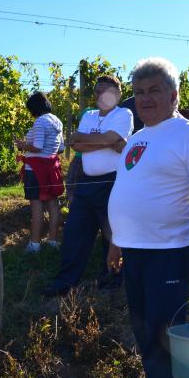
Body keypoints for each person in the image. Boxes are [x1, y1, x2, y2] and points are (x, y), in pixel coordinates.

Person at [103, 57, 189, 378]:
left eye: (154, 90)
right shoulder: (139, 137)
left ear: (174, 95)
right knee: (146, 331)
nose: (144, 98)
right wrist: (116, 244)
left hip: (169, 252)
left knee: (168, 334)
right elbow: (127, 191)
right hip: (136, 252)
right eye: (139, 92)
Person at [40, 75, 133, 297]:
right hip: (87, 181)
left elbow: (105, 138)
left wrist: (94, 139)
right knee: (75, 232)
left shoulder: (123, 114)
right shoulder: (89, 115)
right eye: (98, 90)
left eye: (107, 90)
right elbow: (75, 141)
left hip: (113, 182)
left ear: (117, 93)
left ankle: (110, 280)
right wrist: (108, 142)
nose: (102, 94)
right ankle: (65, 282)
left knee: (112, 234)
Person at [15, 91, 64, 253]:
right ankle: (53, 241)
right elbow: (61, 148)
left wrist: (22, 145)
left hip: (35, 169)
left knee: (36, 205)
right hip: (51, 168)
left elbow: (37, 146)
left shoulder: (40, 122)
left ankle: (35, 244)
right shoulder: (57, 121)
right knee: (52, 203)